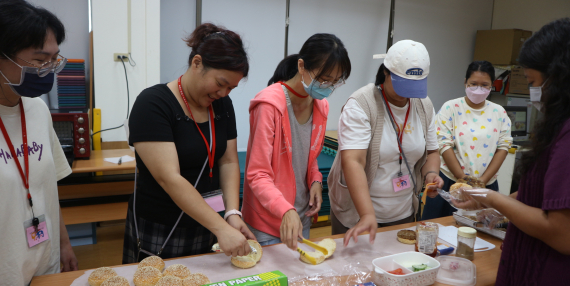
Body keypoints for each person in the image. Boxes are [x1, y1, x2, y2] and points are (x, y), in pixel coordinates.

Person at [453, 18, 570, 286]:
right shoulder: (567, 125)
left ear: (561, 76)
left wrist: (495, 199)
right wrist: (487, 199)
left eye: (532, 82)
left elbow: (566, 234)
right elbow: (543, 195)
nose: (533, 93)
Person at [122, 23, 256, 263]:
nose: (224, 93)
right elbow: (169, 178)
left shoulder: (222, 106)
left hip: (209, 223)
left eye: (231, 88)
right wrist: (221, 228)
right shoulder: (153, 104)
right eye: (220, 83)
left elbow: (228, 161)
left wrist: (232, 213)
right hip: (164, 225)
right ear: (197, 63)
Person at [0, 0, 78, 286]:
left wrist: (65, 244)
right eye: (39, 61)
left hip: (44, 275)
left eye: (54, 60)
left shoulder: (37, 110)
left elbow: (45, 186)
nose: (48, 71)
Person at [328, 40, 444, 246]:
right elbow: (353, 161)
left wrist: (431, 174)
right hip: (358, 214)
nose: (407, 93)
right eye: (403, 85)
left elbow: (432, 152)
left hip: (403, 212)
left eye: (413, 86)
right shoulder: (362, 104)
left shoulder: (424, 105)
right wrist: (366, 214)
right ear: (386, 72)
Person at [242, 34, 351, 250]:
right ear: (301, 66)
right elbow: (257, 173)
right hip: (267, 221)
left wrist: (316, 180)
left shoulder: (321, 105)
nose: (328, 86)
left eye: (335, 81)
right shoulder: (269, 105)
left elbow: (309, 157)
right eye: (324, 79)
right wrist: (285, 210)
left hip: (300, 217)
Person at [421, 61, 512, 220]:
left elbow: (503, 147)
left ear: (491, 85)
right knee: (439, 226)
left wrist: (481, 182)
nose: (478, 89)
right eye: (473, 84)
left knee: (481, 228)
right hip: (450, 181)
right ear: (465, 82)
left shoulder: (499, 112)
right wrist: (462, 179)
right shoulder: (451, 108)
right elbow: (443, 144)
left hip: (486, 184)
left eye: (484, 85)